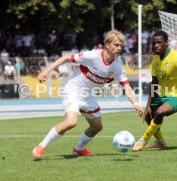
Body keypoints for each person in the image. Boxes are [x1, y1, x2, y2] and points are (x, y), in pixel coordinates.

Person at [32, 30, 144, 159]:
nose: (119, 48)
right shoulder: (93, 56)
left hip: (87, 95)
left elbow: (127, 87)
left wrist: (135, 104)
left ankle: (79, 149)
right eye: (116, 45)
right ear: (107, 45)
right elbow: (66, 58)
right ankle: (41, 146)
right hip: (72, 91)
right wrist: (46, 71)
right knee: (71, 122)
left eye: (121, 46)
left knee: (97, 126)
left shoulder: (117, 67)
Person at [132, 31, 177, 151]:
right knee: (148, 115)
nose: (156, 45)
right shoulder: (155, 60)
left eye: (159, 43)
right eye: (154, 43)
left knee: (160, 112)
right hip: (162, 95)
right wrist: (147, 107)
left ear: (166, 43)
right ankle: (161, 142)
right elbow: (154, 83)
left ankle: (143, 140)